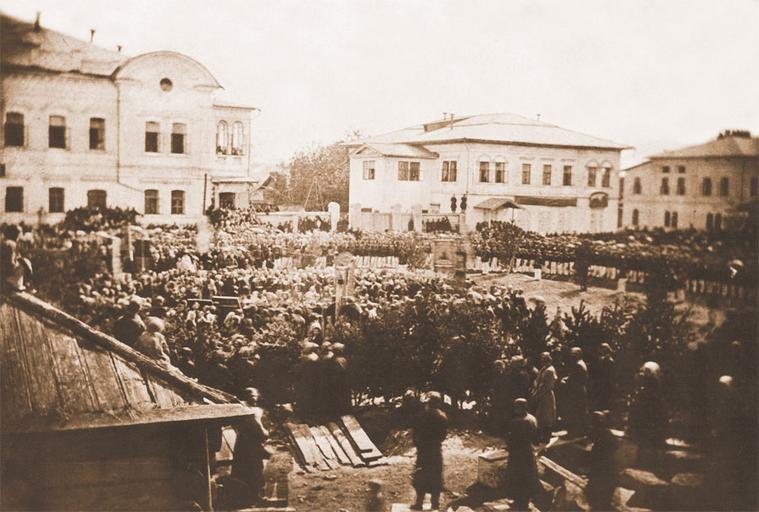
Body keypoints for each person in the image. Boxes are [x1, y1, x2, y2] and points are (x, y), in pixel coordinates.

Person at [232, 388, 270, 505]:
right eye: (251, 396)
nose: (254, 398)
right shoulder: (242, 408)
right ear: (246, 397)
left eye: (255, 395)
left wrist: (265, 433)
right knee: (243, 469)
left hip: (255, 443)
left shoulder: (259, 410)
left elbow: (262, 427)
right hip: (244, 443)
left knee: (256, 469)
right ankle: (242, 498)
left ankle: (256, 496)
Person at [411, 392, 448, 511]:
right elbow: (443, 435)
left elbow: (415, 434)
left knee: (421, 475)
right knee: (435, 476)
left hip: (423, 450)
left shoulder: (421, 416)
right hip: (435, 450)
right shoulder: (442, 417)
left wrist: (418, 444)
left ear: (429, 403)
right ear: (438, 403)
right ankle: (435, 505)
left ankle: (419, 503)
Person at [503, 398, 541, 511]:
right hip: (528, 451)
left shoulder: (517, 422)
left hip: (518, 453)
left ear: (519, 408)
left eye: (516, 407)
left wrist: (509, 445)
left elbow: (512, 439)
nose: (515, 410)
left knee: (517, 477)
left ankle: (519, 503)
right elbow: (536, 438)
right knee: (528, 476)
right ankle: (525, 501)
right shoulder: (532, 418)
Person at [586, 411, 617, 510]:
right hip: (607, 466)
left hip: (602, 467)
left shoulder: (598, 432)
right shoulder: (607, 433)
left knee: (597, 491)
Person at [561, 347, 589, 437]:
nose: (572, 356)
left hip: (576, 392)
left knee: (575, 412)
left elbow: (575, 380)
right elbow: (574, 377)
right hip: (579, 391)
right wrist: (567, 378)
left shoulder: (578, 365)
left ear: (579, 354)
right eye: (571, 354)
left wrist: (565, 382)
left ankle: (574, 433)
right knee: (579, 412)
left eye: (574, 354)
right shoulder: (580, 363)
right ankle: (581, 432)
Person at [531, 352, 557, 443]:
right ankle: (541, 437)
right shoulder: (544, 369)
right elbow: (537, 381)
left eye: (545, 359)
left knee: (546, 417)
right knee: (540, 416)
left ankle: (546, 438)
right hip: (541, 395)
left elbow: (545, 386)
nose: (542, 360)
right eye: (542, 359)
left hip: (546, 395)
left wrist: (536, 395)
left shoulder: (549, 370)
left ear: (549, 359)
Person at [592, 343, 615, 411]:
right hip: (601, 383)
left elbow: (608, 374)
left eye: (602, 349)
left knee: (605, 399)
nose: (600, 350)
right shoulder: (603, 359)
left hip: (606, 384)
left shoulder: (609, 360)